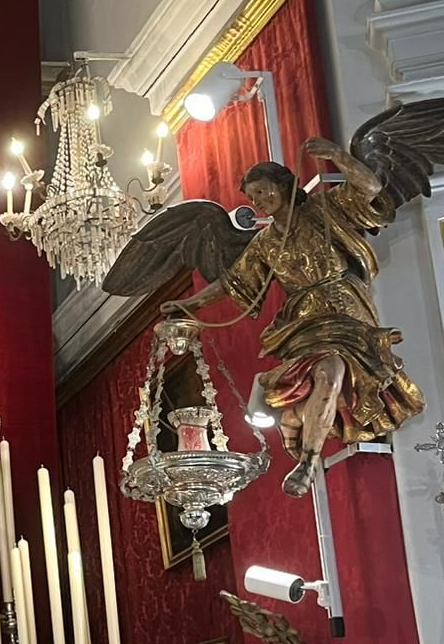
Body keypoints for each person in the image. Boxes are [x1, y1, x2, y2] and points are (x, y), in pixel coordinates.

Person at [165, 143, 424, 495]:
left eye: (262, 191)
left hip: (346, 310)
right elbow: (233, 282)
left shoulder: (324, 209)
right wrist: (189, 304)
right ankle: (308, 461)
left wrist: (336, 154)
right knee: (328, 372)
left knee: (338, 377)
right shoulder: (265, 243)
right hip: (303, 322)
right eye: (252, 196)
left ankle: (294, 423)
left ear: (284, 185)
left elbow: (371, 188)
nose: (257, 200)